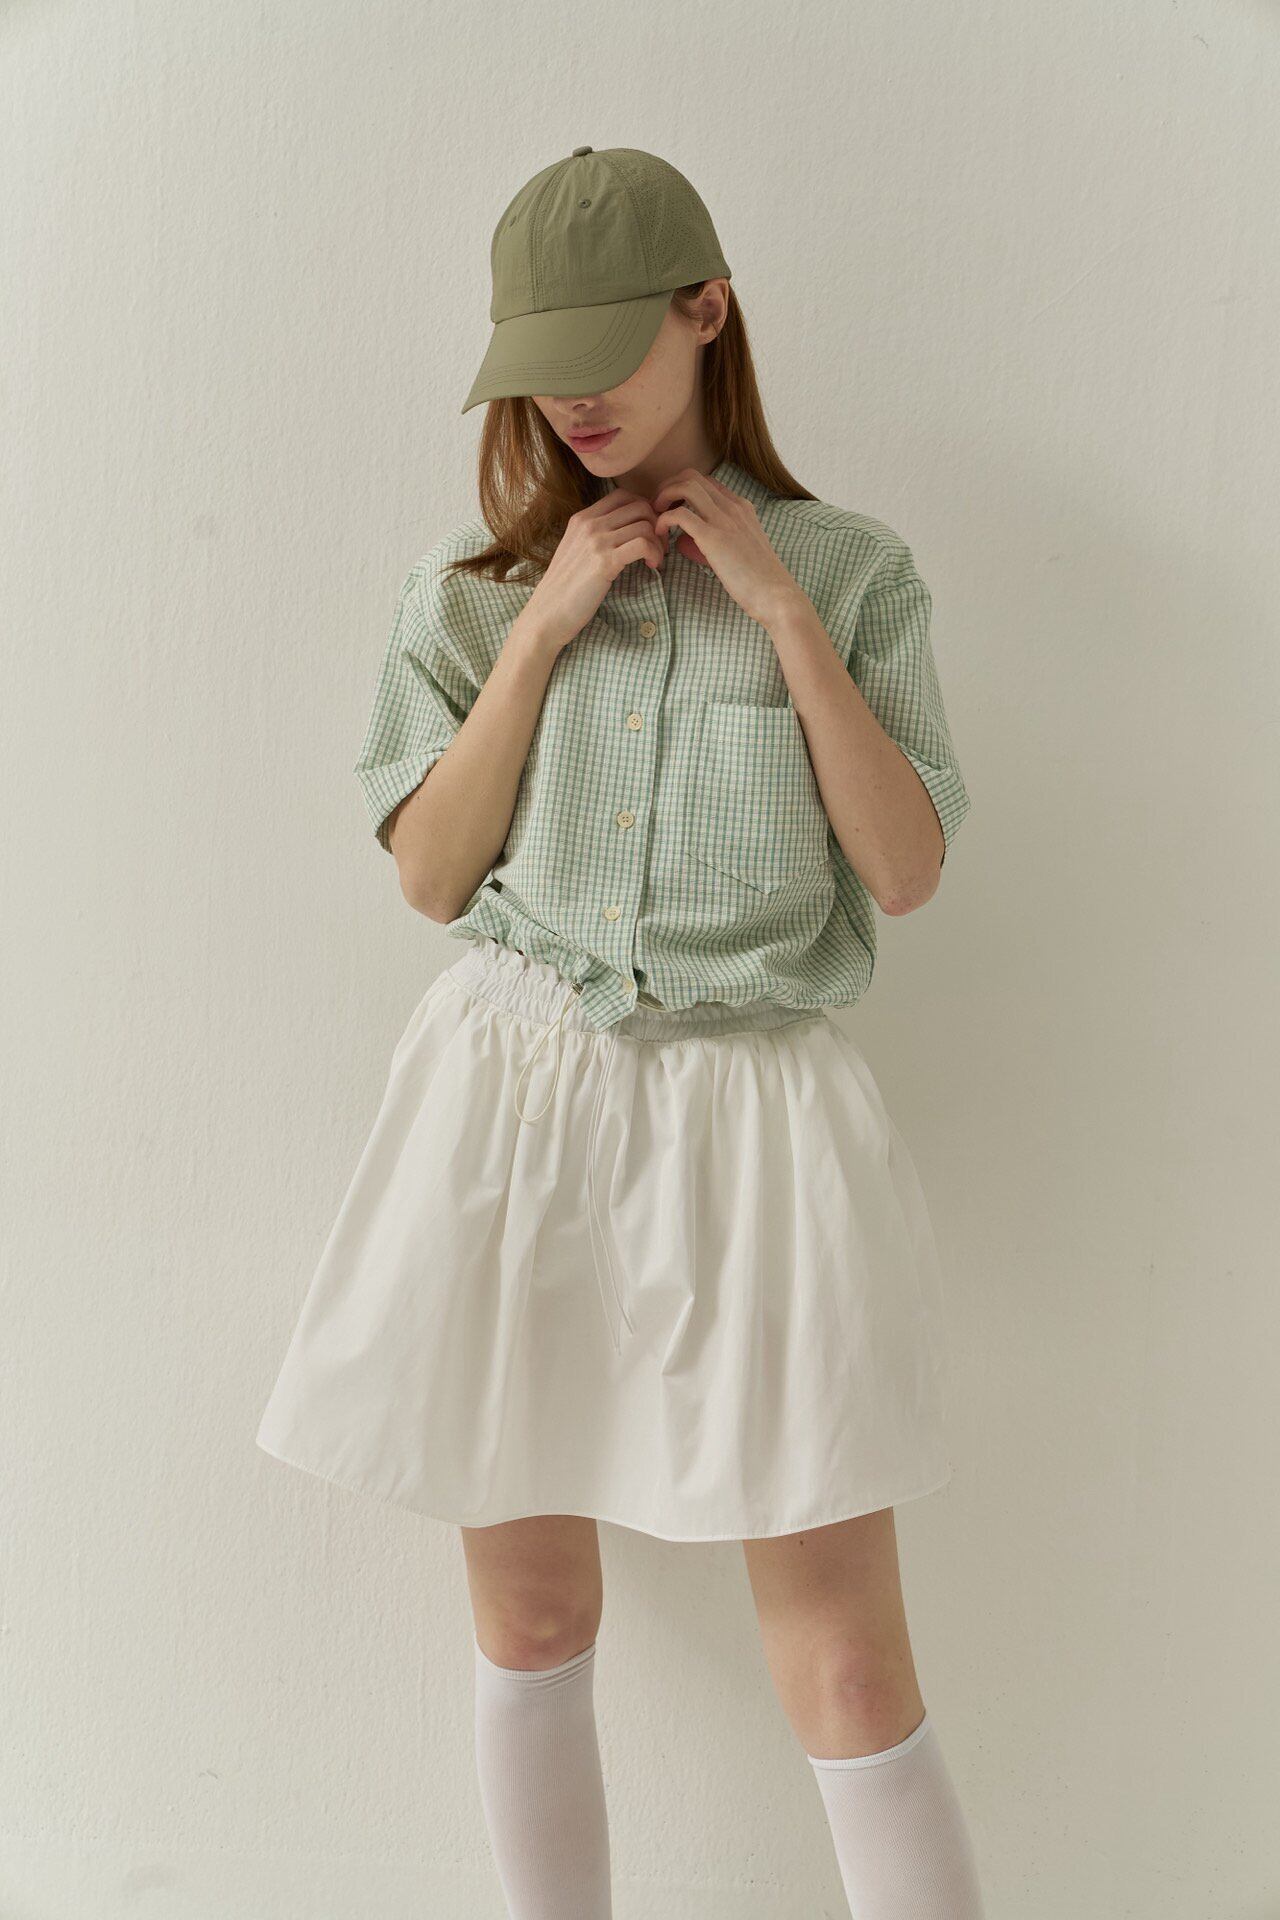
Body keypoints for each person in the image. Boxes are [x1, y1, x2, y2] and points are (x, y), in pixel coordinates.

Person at [256, 145, 986, 1918]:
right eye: (540, 364)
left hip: (756, 1122)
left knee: (846, 1667)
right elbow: (433, 876)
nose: (571, 399)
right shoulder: (470, 589)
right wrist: (543, 633)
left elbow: (903, 872)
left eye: (606, 349)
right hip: (515, 1100)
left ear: (706, 311)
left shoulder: (854, 572)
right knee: (531, 1615)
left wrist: (782, 612)